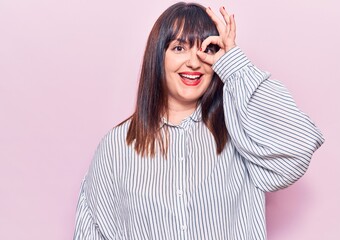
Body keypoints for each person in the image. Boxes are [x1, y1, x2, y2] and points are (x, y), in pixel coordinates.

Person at [74, 2, 324, 239]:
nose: (194, 62)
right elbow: (92, 232)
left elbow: (299, 145)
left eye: (207, 49)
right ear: (157, 57)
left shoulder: (240, 131)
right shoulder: (116, 147)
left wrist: (234, 64)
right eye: (179, 48)